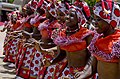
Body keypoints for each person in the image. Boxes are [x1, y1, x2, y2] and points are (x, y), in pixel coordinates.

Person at [86, 0, 120, 79]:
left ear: (110, 22)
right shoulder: (98, 39)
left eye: (98, 19)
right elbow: (92, 68)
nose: (94, 22)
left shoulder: (118, 43)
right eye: (93, 19)